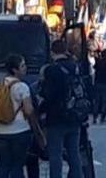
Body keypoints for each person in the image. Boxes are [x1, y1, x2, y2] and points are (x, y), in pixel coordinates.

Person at [40, 40, 84, 178]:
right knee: (74, 154)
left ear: (52, 52)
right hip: (75, 115)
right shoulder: (75, 67)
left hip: (56, 118)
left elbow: (49, 95)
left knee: (55, 155)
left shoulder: (51, 70)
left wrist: (41, 111)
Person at [0, 54, 44, 178]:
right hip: (19, 130)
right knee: (17, 165)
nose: (25, 68)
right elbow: (28, 110)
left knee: (4, 165)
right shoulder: (22, 87)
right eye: (22, 66)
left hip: (1, 130)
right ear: (15, 70)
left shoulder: (0, 85)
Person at [92, 50, 106, 124]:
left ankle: (95, 117)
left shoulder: (98, 62)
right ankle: (102, 117)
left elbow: (94, 67)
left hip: (97, 83)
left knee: (96, 101)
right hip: (105, 84)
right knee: (104, 101)